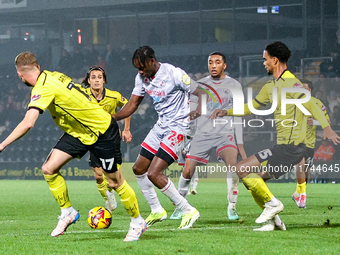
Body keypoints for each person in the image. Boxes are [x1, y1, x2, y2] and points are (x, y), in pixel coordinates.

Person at [0, 52, 146, 241]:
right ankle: (67, 212)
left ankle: (137, 222)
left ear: (20, 74)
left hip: (102, 130)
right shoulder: (54, 75)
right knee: (49, 168)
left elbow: (28, 123)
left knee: (114, 182)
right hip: (79, 132)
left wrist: (2, 144)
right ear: (37, 66)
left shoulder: (43, 87)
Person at [210, 41, 340, 231]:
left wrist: (326, 127)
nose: (264, 63)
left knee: (241, 169)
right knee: (256, 179)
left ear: (275, 60)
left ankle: (273, 205)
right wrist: (226, 112)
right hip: (284, 147)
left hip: (294, 146)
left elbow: (311, 105)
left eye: (265, 59)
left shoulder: (292, 83)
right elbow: (251, 107)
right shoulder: (270, 87)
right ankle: (274, 222)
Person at [114, 46, 204, 229]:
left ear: (152, 61)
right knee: (139, 168)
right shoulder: (141, 78)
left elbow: (200, 91)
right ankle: (157, 210)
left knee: (154, 173)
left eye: (142, 66)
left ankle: (188, 210)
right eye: (137, 67)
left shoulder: (173, 73)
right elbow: (133, 103)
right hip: (162, 125)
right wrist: (114, 118)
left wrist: (198, 110)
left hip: (180, 127)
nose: (140, 71)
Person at [170, 52, 247, 221]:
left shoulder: (235, 85)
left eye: (217, 62)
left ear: (224, 65)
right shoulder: (200, 85)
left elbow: (239, 115)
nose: (213, 65)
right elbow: (192, 114)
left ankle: (232, 207)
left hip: (225, 133)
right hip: (203, 134)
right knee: (188, 169)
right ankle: (180, 207)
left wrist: (240, 144)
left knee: (232, 166)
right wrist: (187, 138)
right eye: (210, 62)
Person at [82, 66, 133, 212]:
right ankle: (108, 198)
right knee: (98, 176)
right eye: (93, 77)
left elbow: (128, 107)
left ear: (104, 80)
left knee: (115, 179)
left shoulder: (114, 96)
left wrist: (127, 129)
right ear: (88, 80)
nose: (97, 80)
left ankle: (130, 205)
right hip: (93, 139)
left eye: (100, 77)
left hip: (111, 139)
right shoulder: (82, 95)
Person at [292, 78, 331, 209]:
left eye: (306, 89)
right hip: (296, 139)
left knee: (306, 171)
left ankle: (298, 193)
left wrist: (314, 122)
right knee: (300, 164)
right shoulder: (292, 103)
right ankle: (303, 196)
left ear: (310, 91)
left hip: (310, 141)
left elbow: (327, 122)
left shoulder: (317, 103)